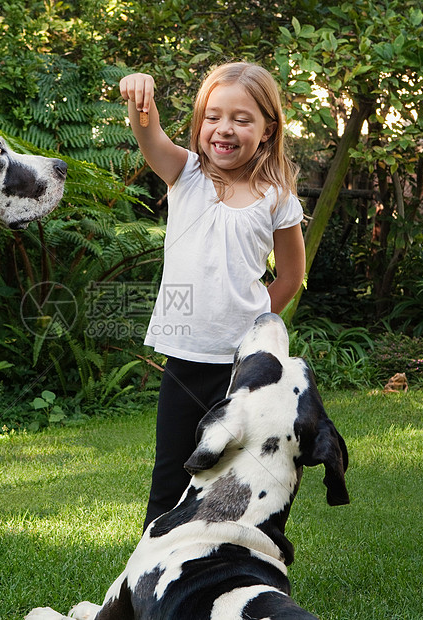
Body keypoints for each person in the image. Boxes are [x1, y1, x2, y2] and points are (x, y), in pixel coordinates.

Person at [119, 62, 306, 530]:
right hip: (185, 362)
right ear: (200, 123)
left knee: (233, 477)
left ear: (267, 131)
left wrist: (251, 328)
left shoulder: (277, 197)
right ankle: (149, 578)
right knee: (171, 476)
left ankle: (221, 563)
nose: (224, 129)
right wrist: (140, 98)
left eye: (242, 119)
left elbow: (290, 276)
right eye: (212, 116)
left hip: (243, 370)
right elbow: (150, 136)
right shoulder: (185, 174)